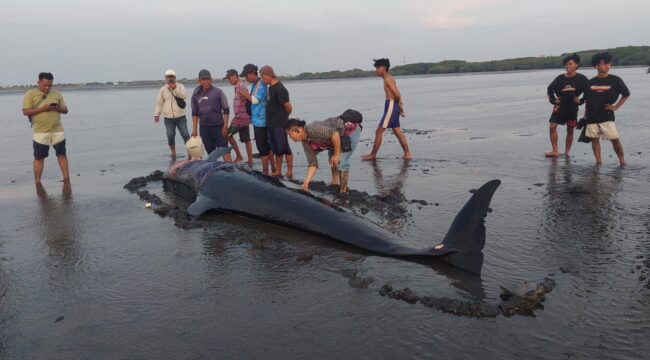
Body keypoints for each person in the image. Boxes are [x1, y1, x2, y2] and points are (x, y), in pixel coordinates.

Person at [285, 109, 363, 193]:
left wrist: (336, 155)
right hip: (336, 138)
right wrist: (306, 183)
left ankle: (343, 191)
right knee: (332, 159)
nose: (289, 137)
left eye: (289, 134)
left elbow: (335, 134)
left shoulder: (313, 129)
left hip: (350, 130)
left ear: (297, 130)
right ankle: (335, 182)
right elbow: (312, 163)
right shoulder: (305, 142)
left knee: (341, 161)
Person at [22, 72, 70, 184]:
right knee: (39, 158)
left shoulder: (56, 94)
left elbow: (66, 110)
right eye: (45, 85)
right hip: (40, 131)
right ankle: (38, 182)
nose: (47, 87)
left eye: (50, 85)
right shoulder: (30, 94)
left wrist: (59, 107)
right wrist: (42, 109)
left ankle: (67, 179)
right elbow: (25, 111)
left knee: (62, 154)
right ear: (38, 82)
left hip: (57, 129)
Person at [583, 52, 630, 167]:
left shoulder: (616, 80)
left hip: (606, 115)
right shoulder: (590, 82)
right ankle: (598, 161)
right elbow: (587, 99)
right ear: (596, 66)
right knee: (594, 138)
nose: (607, 66)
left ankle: (622, 161)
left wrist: (615, 107)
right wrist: (585, 115)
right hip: (591, 116)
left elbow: (626, 94)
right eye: (603, 64)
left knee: (614, 138)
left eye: (608, 64)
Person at [362, 58, 412, 160]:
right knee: (397, 131)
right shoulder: (388, 78)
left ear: (384, 68)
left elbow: (397, 94)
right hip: (392, 106)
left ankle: (373, 155)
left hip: (391, 106)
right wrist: (399, 106)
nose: (375, 70)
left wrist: (400, 106)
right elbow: (397, 95)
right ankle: (407, 153)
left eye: (377, 67)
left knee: (379, 131)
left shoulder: (388, 79)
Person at [545, 54, 589, 157]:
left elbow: (588, 92)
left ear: (576, 65)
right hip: (559, 107)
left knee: (570, 130)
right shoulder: (559, 78)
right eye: (566, 64)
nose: (567, 66)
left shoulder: (582, 79)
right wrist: (553, 100)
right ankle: (555, 150)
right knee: (552, 127)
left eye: (570, 64)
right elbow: (549, 89)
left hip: (572, 108)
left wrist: (581, 100)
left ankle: (567, 152)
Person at [238, 64, 275, 174]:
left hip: (260, 120)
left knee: (262, 147)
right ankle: (273, 167)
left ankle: (265, 171)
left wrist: (245, 94)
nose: (245, 78)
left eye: (246, 76)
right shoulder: (256, 83)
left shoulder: (260, 84)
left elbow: (255, 100)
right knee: (266, 145)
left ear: (251, 74)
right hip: (258, 119)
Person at [190, 69, 232, 161]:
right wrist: (194, 129)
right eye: (203, 79)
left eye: (207, 79)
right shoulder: (195, 94)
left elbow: (226, 110)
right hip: (204, 128)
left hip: (219, 126)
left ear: (211, 79)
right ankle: (214, 171)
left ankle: (231, 169)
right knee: (210, 151)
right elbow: (194, 113)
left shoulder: (218, 92)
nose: (206, 81)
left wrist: (225, 125)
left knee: (224, 149)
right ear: (199, 81)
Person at [261, 65, 293, 177]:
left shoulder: (280, 88)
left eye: (263, 76)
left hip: (280, 124)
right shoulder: (270, 88)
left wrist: (284, 118)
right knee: (276, 148)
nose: (262, 79)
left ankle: (289, 171)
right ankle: (278, 171)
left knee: (284, 147)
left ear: (270, 75)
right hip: (271, 123)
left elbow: (289, 107)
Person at [154, 69, 190, 158]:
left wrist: (175, 88)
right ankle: (173, 153)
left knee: (185, 134)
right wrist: (157, 114)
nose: (170, 78)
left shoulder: (180, 86)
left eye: (172, 77)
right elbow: (159, 103)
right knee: (170, 135)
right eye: (168, 77)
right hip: (168, 118)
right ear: (165, 78)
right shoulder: (163, 89)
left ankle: (190, 153)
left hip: (180, 116)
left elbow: (184, 95)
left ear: (175, 77)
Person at [224, 69, 253, 166]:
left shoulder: (241, 86)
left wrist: (238, 116)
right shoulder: (238, 87)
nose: (229, 80)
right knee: (246, 139)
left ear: (235, 76)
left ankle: (239, 156)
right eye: (227, 79)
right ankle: (249, 160)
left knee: (227, 135)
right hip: (244, 118)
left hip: (241, 118)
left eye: (229, 77)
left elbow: (248, 100)